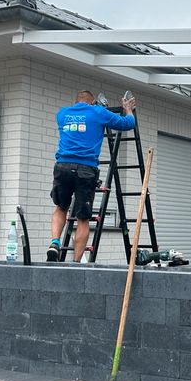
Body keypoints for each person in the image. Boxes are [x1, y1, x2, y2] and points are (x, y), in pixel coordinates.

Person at [47, 89, 137, 261]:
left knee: (61, 207)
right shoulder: (98, 112)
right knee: (83, 218)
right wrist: (128, 109)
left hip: (63, 166)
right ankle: (76, 262)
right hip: (86, 169)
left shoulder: (62, 113)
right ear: (92, 101)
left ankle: (54, 242)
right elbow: (127, 124)